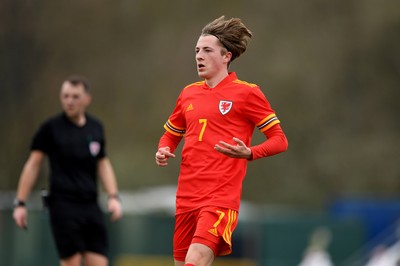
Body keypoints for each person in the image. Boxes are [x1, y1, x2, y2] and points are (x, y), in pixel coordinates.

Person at [155, 16, 288, 266]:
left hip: (219, 199)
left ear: (226, 56)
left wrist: (250, 152)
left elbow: (280, 140)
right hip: (185, 198)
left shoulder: (247, 93)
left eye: (207, 50)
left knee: (195, 261)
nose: (199, 56)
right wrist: (163, 148)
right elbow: (171, 135)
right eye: (196, 51)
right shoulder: (188, 93)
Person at [13, 75, 123, 266]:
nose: (69, 101)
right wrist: (20, 203)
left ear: (87, 99)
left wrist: (113, 197)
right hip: (63, 206)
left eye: (75, 96)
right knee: (71, 262)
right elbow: (33, 165)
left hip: (90, 205)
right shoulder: (51, 128)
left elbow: (103, 163)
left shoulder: (95, 127)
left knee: (99, 261)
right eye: (65, 96)